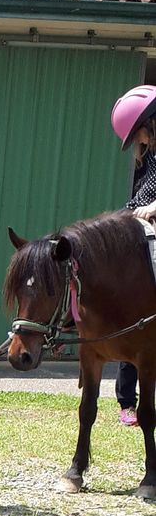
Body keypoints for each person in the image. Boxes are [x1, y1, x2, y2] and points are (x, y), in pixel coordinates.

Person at [108, 85, 156, 425]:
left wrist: (153, 207)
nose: (137, 141)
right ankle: (127, 401)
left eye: (138, 131)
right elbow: (136, 199)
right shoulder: (148, 158)